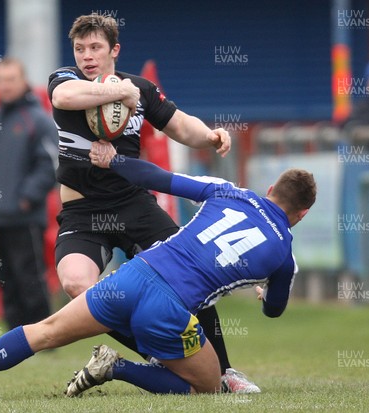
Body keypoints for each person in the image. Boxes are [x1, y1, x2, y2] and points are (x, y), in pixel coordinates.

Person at [0, 140, 316, 400]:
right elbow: (275, 310)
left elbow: (160, 178)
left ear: (269, 191)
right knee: (208, 388)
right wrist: (264, 291)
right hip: (170, 310)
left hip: (132, 275)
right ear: (301, 214)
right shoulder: (284, 254)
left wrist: (115, 159)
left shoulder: (229, 191)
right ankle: (117, 367)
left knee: (46, 331)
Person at [49, 13, 257, 392]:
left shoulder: (140, 89)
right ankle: (159, 355)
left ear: (114, 49)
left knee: (191, 273)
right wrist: (119, 93)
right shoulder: (66, 80)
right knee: (77, 285)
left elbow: (178, 124)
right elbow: (63, 98)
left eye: (95, 48)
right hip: (83, 211)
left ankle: (225, 370)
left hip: (133, 204)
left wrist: (210, 136)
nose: (87, 56)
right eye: (80, 49)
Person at [0, 58, 58, 330]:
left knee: (30, 277)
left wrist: (26, 197)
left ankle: (44, 336)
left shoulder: (37, 120)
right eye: (0, 80)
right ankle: (14, 338)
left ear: (23, 82)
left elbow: (51, 164)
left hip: (26, 217)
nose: (5, 86)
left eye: (11, 79)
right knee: (5, 279)